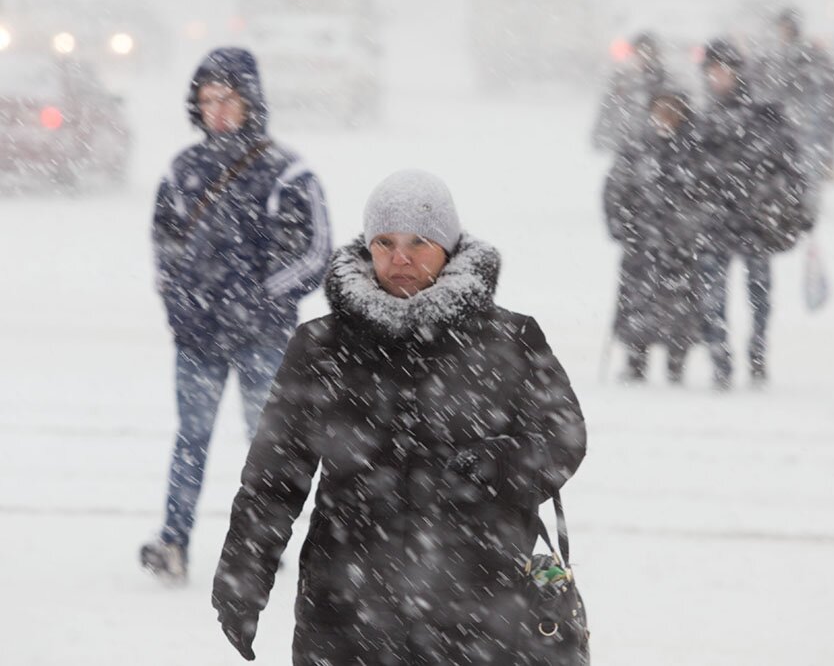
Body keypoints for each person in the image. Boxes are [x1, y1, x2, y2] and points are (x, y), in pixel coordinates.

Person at [211, 170, 587, 664]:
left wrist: (506, 463)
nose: (400, 258)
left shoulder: (510, 338)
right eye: (384, 242)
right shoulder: (322, 346)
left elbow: (564, 435)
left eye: (419, 242)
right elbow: (275, 475)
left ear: (449, 248)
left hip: (478, 604)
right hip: (347, 604)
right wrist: (243, 578)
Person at [141, 47, 332, 583]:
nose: (217, 110)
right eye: (206, 99)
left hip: (264, 339)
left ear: (251, 100)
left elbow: (314, 253)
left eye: (227, 98)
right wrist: (177, 300)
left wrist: (261, 300)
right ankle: (173, 543)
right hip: (197, 335)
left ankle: (265, 550)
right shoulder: (183, 170)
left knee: (267, 448)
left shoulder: (286, 171)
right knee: (190, 440)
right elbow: (164, 243)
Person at [695, 38, 808, 390]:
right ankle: (721, 358)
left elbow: (789, 166)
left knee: (758, 296)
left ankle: (756, 352)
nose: (718, 78)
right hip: (716, 220)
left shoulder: (764, 116)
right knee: (712, 297)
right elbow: (691, 169)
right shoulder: (703, 118)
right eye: (712, 71)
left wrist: (792, 202)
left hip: (754, 220)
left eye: (724, 70)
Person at [603, 91, 703, 382]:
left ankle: (676, 360)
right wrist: (622, 225)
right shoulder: (636, 148)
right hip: (641, 242)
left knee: (678, 303)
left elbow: (704, 194)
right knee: (637, 299)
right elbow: (615, 189)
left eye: (672, 112)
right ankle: (636, 358)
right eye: (659, 111)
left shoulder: (693, 150)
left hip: (680, 246)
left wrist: (687, 226)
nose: (664, 119)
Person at [752, 8, 834, 221]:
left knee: (805, 187)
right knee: (799, 187)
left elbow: (831, 103)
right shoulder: (778, 59)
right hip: (794, 136)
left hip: (807, 135)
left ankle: (805, 226)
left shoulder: (802, 59)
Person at [592, 31, 670, 153]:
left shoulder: (664, 83)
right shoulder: (622, 81)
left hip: (656, 150)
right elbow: (607, 113)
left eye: (648, 52)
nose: (644, 56)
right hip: (627, 149)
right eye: (640, 51)